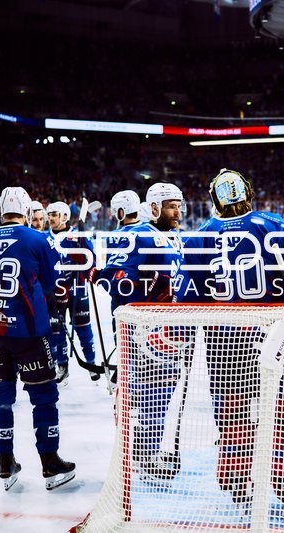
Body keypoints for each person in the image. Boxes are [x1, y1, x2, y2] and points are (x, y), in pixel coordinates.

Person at [175, 169, 284, 514]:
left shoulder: (202, 234)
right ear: (249, 191)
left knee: (233, 416)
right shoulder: (272, 223)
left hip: (224, 344)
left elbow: (186, 298)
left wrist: (181, 334)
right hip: (277, 336)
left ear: (215, 199)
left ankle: (238, 485)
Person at [0, 186, 76, 491]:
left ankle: (5, 463)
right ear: (27, 210)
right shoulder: (37, 238)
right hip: (28, 332)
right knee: (44, 397)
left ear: (1, 209)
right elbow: (52, 284)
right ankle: (49, 462)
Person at [98, 185, 185, 477]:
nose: (178, 211)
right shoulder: (137, 236)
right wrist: (146, 291)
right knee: (155, 394)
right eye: (172, 206)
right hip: (144, 329)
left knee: (162, 391)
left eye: (180, 205)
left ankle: (145, 447)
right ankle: (146, 455)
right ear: (155, 208)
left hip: (169, 328)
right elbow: (114, 279)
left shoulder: (174, 237)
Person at [47, 201, 99, 384]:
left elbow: (93, 262)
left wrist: (84, 259)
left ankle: (91, 363)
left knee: (84, 328)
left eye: (54, 214)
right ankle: (62, 365)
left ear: (65, 217)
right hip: (55, 292)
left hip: (77, 289)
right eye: (50, 214)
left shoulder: (78, 236)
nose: (50, 218)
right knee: (57, 331)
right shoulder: (44, 238)